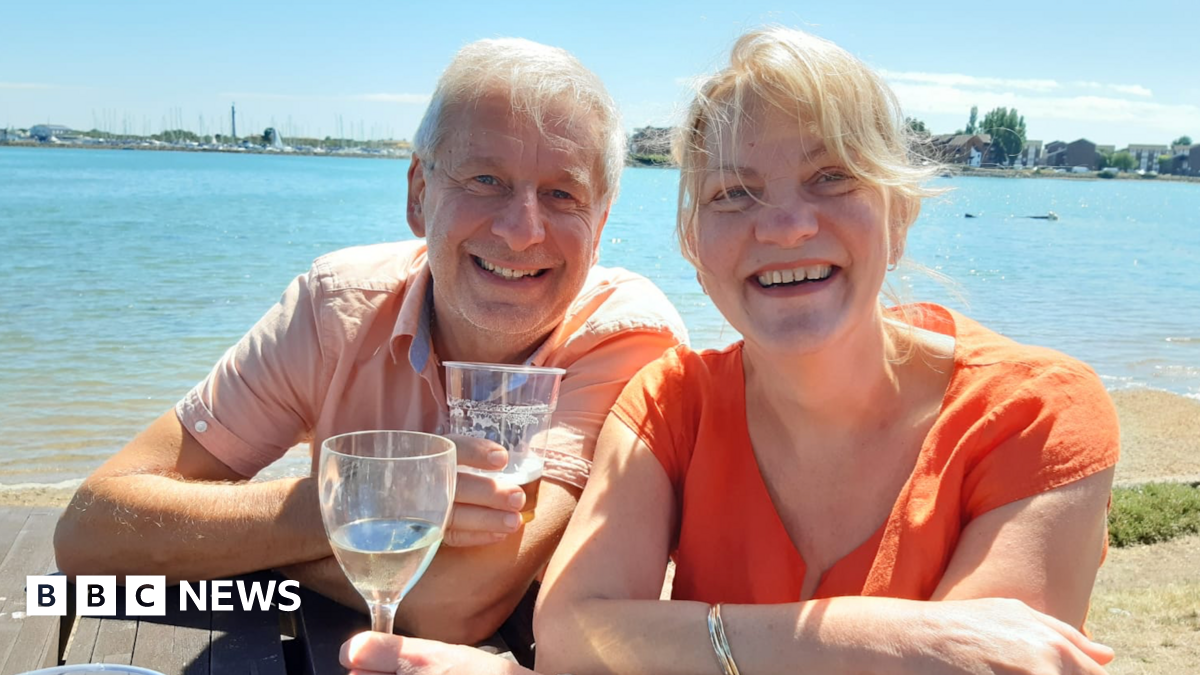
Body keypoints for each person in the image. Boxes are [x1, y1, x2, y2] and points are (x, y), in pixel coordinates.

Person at [340, 26, 1120, 674]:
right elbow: (574, 637)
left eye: (830, 176)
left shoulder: (1037, 414)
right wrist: (900, 637)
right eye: (733, 194)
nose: (782, 227)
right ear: (693, 240)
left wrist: (676, 641)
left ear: (901, 211)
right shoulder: (670, 401)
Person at [53, 37, 687, 644]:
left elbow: (458, 603)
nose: (522, 230)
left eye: (561, 193)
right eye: (484, 180)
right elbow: (89, 533)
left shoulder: (627, 338)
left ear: (600, 225)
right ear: (419, 193)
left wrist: (237, 551)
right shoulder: (337, 307)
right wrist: (340, 500)